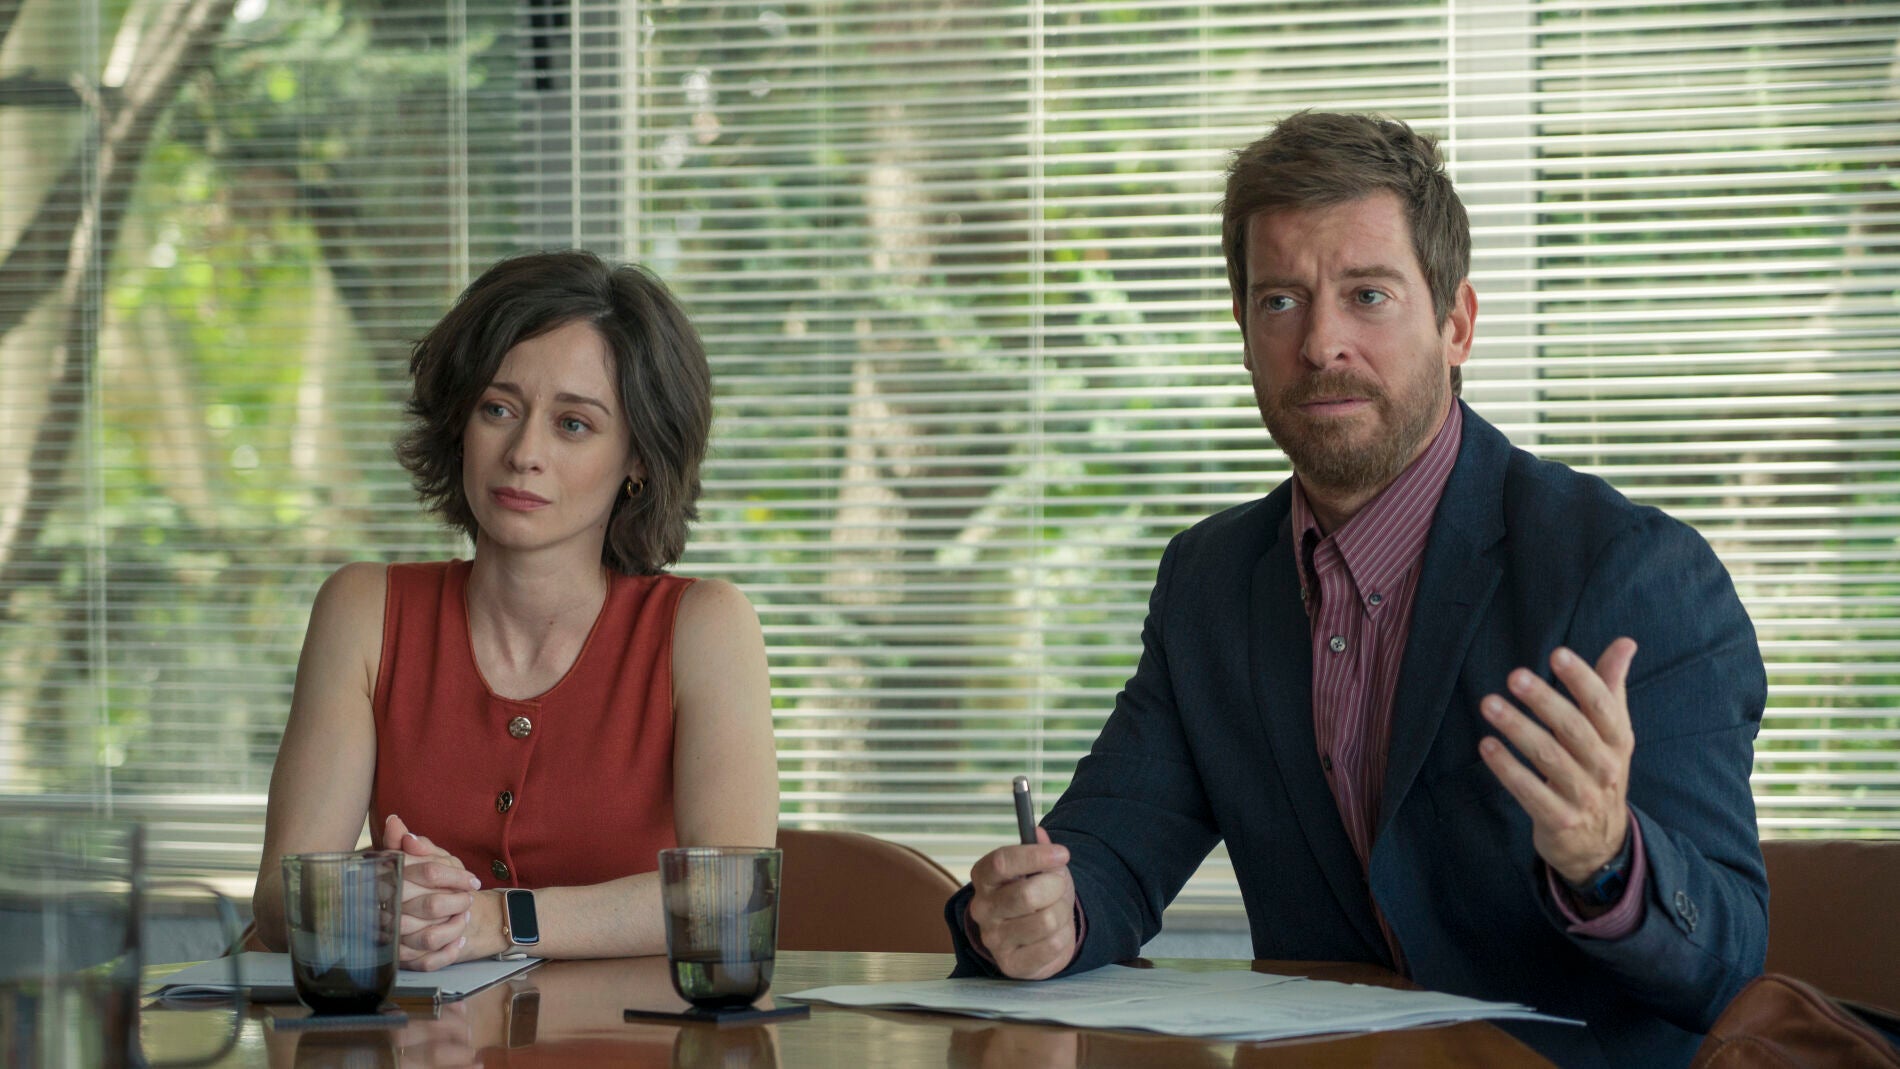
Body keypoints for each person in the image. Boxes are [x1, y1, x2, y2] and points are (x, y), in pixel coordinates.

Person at [946, 112, 1767, 1068]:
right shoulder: (1210, 581)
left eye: (1367, 295)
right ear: (1244, 332)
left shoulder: (1633, 571)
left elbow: (1729, 962)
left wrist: (1607, 857)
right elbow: (1110, 854)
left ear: (1456, 324)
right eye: (1280, 300)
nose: (1320, 342)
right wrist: (1041, 915)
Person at [252, 250, 776, 967]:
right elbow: (278, 904)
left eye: (573, 424)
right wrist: (383, 901)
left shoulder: (705, 625)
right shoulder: (362, 610)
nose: (524, 452)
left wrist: (495, 920)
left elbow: (731, 897)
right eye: (498, 409)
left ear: (638, 458)